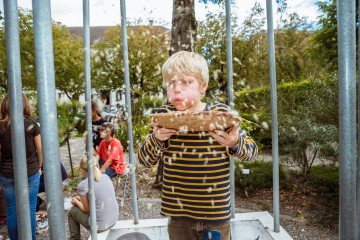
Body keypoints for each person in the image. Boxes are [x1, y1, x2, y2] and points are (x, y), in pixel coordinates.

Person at [137, 51, 258, 240]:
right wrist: (157, 139)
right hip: (178, 217)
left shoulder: (221, 114)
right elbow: (144, 159)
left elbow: (252, 152)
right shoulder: (163, 116)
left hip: (216, 216)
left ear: (203, 87)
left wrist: (235, 142)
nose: (177, 89)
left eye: (186, 82)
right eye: (171, 83)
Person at [0, 93, 42, 240]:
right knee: (30, 209)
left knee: (12, 210)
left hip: (7, 174)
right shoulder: (31, 124)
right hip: (30, 172)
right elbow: (40, 149)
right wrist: (39, 166)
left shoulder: (1, 126)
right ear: (24, 104)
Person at [67, 156, 118, 239]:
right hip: (114, 219)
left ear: (82, 169)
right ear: (97, 166)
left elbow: (86, 209)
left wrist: (76, 202)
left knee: (72, 211)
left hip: (100, 226)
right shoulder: (106, 176)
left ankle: (74, 238)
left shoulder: (83, 185)